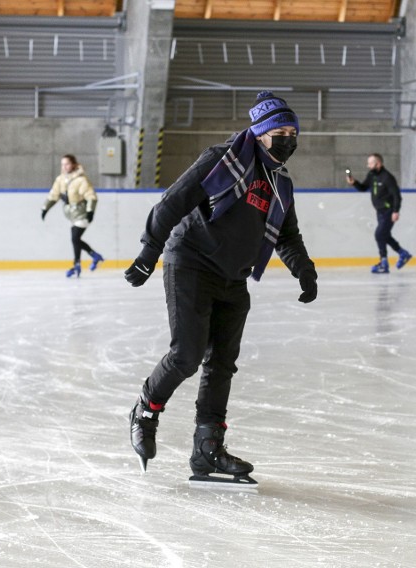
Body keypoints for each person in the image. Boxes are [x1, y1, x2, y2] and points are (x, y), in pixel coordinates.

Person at [124, 91, 318, 487]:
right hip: (191, 263)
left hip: (234, 276)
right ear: (260, 133)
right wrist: (149, 252)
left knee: (221, 365)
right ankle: (146, 409)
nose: (287, 139)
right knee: (187, 355)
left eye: (291, 132)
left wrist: (305, 271)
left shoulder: (280, 182)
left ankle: (207, 449)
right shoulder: (221, 161)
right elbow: (172, 202)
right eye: (278, 131)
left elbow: (287, 235)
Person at [347, 154, 412, 273]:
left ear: (378, 163)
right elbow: (363, 187)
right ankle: (403, 253)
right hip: (380, 212)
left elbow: (397, 196)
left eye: (370, 163)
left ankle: (384, 263)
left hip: (389, 211)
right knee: (384, 235)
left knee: (379, 234)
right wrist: (354, 183)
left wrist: (396, 211)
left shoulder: (387, 177)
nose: (368, 165)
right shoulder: (372, 175)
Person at [41, 154, 104, 277]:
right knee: (76, 240)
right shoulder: (60, 179)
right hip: (72, 215)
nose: (64, 166)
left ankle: (85, 260)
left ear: (74, 164)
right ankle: (85, 261)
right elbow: (53, 195)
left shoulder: (81, 180)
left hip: (82, 213)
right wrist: (45, 208)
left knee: (75, 239)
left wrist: (90, 211)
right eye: (63, 164)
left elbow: (91, 196)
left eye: (67, 164)